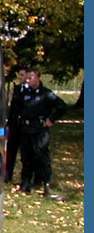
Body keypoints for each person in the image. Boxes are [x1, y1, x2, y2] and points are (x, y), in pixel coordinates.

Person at [17, 68, 68, 198]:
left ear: (38, 78)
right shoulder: (25, 92)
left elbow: (62, 106)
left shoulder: (46, 93)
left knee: (41, 157)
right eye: (27, 78)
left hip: (39, 129)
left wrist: (51, 119)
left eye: (30, 78)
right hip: (25, 129)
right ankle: (25, 184)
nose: (28, 80)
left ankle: (46, 184)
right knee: (26, 157)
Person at [4, 67, 29, 183]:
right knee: (11, 150)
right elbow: (13, 107)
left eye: (23, 75)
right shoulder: (17, 88)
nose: (20, 77)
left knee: (26, 153)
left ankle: (26, 178)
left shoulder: (33, 90)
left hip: (26, 126)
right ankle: (8, 175)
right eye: (20, 75)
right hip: (15, 124)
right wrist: (9, 123)